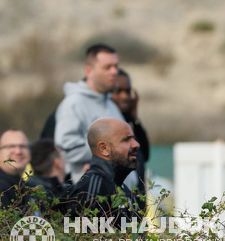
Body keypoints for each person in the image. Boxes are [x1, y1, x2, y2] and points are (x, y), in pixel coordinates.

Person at [52, 44, 123, 181]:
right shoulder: (73, 104)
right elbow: (67, 149)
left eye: (116, 66)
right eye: (107, 67)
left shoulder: (111, 106)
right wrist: (112, 149)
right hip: (88, 195)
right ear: (89, 71)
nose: (114, 72)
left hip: (118, 197)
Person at [63, 118, 142, 220]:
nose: (136, 144)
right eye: (126, 139)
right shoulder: (93, 186)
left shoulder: (122, 188)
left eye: (133, 138)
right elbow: (84, 234)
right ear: (104, 149)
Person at [111, 69, 151, 175]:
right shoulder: (107, 127)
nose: (124, 96)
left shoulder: (129, 124)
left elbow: (145, 155)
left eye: (128, 91)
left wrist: (134, 119)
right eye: (118, 91)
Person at [0, 129, 33, 205]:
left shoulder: (27, 187)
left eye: (23, 146)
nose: (18, 151)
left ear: (30, 155)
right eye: (11, 146)